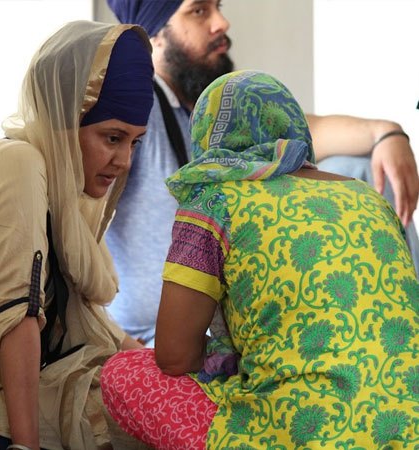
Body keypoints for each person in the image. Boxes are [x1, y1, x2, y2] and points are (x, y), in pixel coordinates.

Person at [100, 70, 418, 450]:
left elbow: (174, 356)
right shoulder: (369, 198)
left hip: (302, 432)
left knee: (122, 372)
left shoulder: (214, 202)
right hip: (407, 422)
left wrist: (227, 354)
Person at [105, 0, 419, 347]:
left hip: (251, 311)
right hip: (166, 336)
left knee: (362, 170)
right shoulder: (138, 110)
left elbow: (301, 136)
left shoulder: (207, 105)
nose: (221, 23)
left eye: (218, 7)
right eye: (199, 11)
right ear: (154, 34)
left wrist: (386, 134)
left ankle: (407, 326)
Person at [0, 20, 155, 450]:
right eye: (112, 138)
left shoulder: (63, 193)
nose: (124, 160)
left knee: (169, 402)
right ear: (64, 120)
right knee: (146, 427)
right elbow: (19, 317)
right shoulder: (18, 164)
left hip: (3, 398)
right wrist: (25, 448)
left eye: (135, 143)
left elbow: (94, 319)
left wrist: (168, 373)